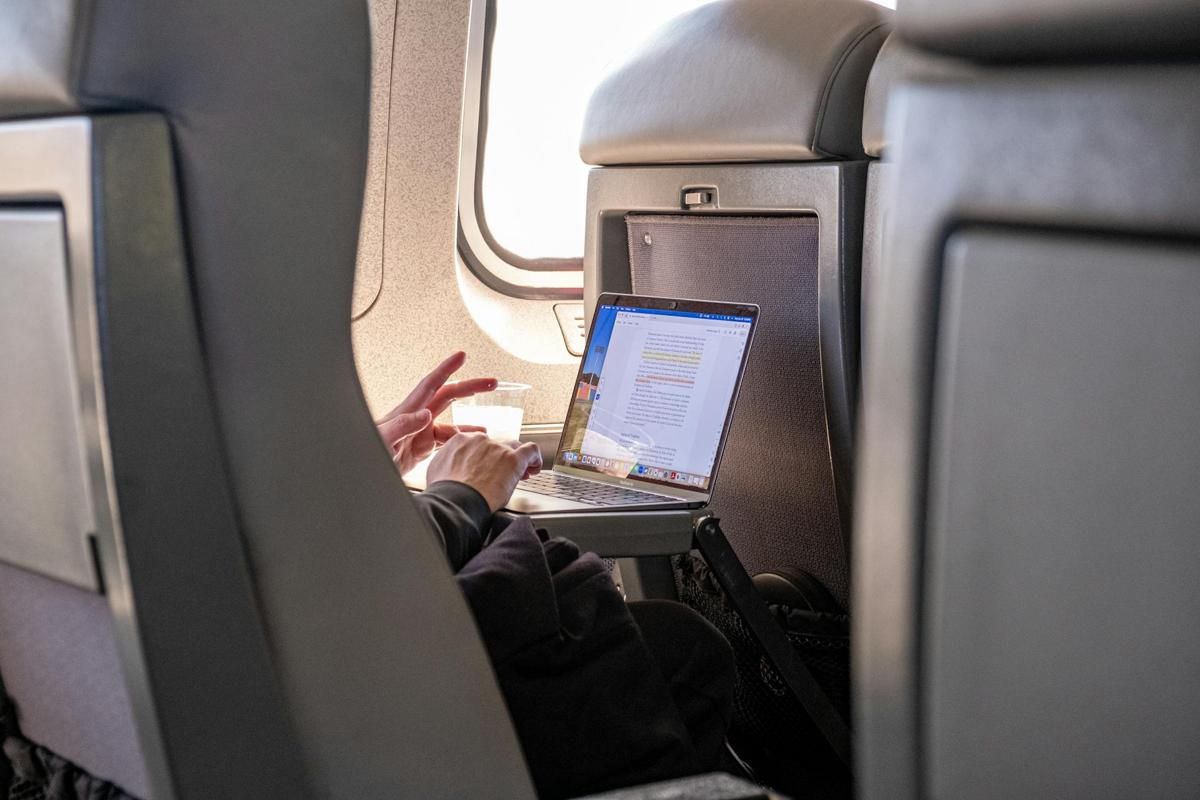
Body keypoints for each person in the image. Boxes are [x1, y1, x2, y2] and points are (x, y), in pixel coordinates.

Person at [376, 351, 737, 799]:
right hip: (397, 663)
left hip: (384, 635)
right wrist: (461, 492)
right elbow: (372, 575)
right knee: (683, 642)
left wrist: (364, 465)